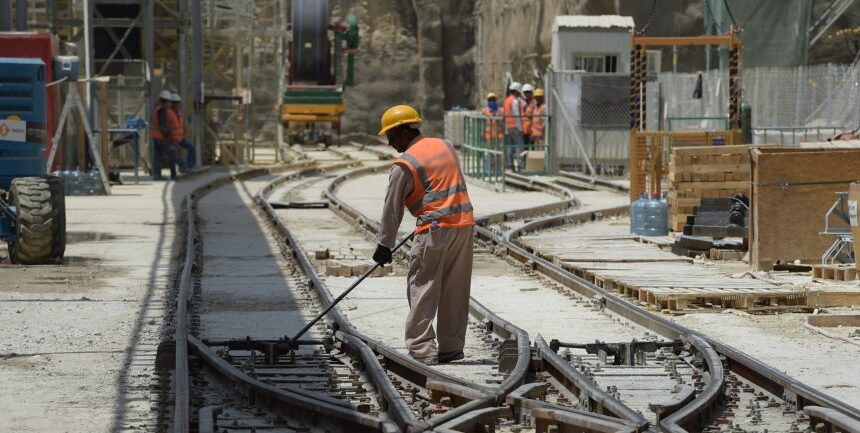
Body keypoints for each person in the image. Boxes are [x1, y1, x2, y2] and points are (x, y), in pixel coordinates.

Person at [372, 105, 475, 366]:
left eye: (391, 137)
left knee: (422, 285)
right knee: (455, 289)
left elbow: (391, 207)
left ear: (402, 131)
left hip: (435, 231)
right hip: (464, 225)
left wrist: (385, 244)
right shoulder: (445, 146)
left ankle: (422, 348)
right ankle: (452, 348)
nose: (390, 143)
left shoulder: (405, 163)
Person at [149, 90, 178, 180]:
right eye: (168, 101)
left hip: (155, 136)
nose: (170, 104)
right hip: (162, 137)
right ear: (164, 101)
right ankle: (174, 174)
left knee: (157, 156)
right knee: (172, 153)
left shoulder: (156, 109)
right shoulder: (162, 111)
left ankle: (157, 175)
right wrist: (169, 137)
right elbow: (163, 126)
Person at [168, 92, 196, 171]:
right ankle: (182, 166)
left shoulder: (178, 113)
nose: (178, 105)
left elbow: (180, 125)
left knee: (192, 148)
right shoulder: (169, 113)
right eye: (177, 103)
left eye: (179, 103)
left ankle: (188, 166)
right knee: (173, 154)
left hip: (180, 138)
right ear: (173, 104)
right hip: (172, 139)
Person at [503, 82, 524, 170]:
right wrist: (520, 128)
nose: (519, 94)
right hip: (515, 127)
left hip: (508, 128)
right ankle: (520, 165)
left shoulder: (507, 100)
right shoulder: (515, 101)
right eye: (519, 92)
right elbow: (516, 115)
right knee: (519, 146)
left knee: (510, 147)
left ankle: (510, 164)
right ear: (516, 91)